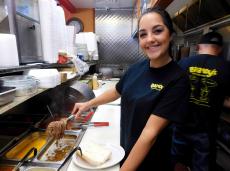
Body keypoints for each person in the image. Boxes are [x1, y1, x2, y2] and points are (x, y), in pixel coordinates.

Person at [72, 7, 190, 171]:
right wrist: (88, 104)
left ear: (170, 35)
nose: (149, 39)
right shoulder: (137, 68)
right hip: (127, 147)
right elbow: (116, 91)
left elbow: (150, 134)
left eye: (157, 31)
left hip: (151, 159)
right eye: (143, 34)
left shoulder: (178, 79)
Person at [171, 31, 230, 171]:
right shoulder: (227, 68)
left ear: (198, 47)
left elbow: (171, 93)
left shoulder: (183, 63)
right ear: (220, 49)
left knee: (178, 162)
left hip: (181, 124)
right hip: (206, 130)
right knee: (201, 166)